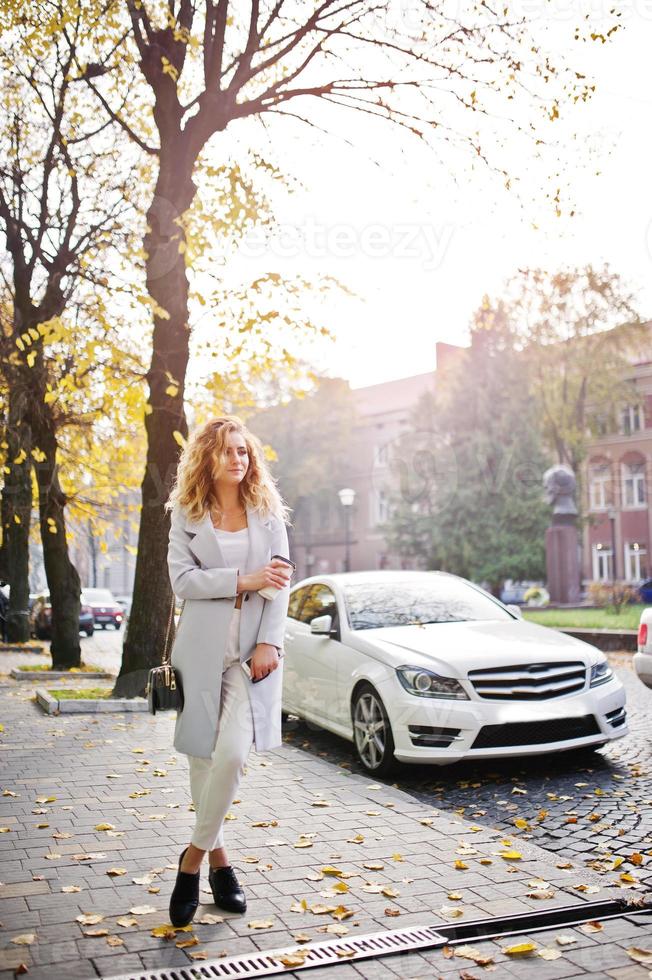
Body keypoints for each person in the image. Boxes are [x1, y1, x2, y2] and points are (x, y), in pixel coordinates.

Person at [164, 415, 293, 927]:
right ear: (207, 458)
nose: (238, 459)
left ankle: (190, 863)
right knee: (203, 756)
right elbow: (183, 582)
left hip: (250, 657)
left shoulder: (268, 513)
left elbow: (279, 583)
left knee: (233, 754)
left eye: (244, 451)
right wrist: (245, 579)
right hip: (200, 650)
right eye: (227, 452)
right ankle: (221, 863)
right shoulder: (187, 514)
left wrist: (269, 642)